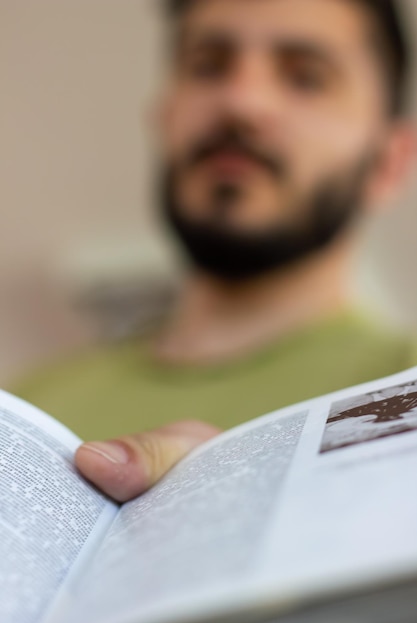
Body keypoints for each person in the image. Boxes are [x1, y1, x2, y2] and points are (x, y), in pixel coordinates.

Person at [10, 0, 417, 500]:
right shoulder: (21, 409)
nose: (241, 102)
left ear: (389, 163)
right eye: (209, 66)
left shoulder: (406, 384)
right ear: (165, 117)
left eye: (306, 77)